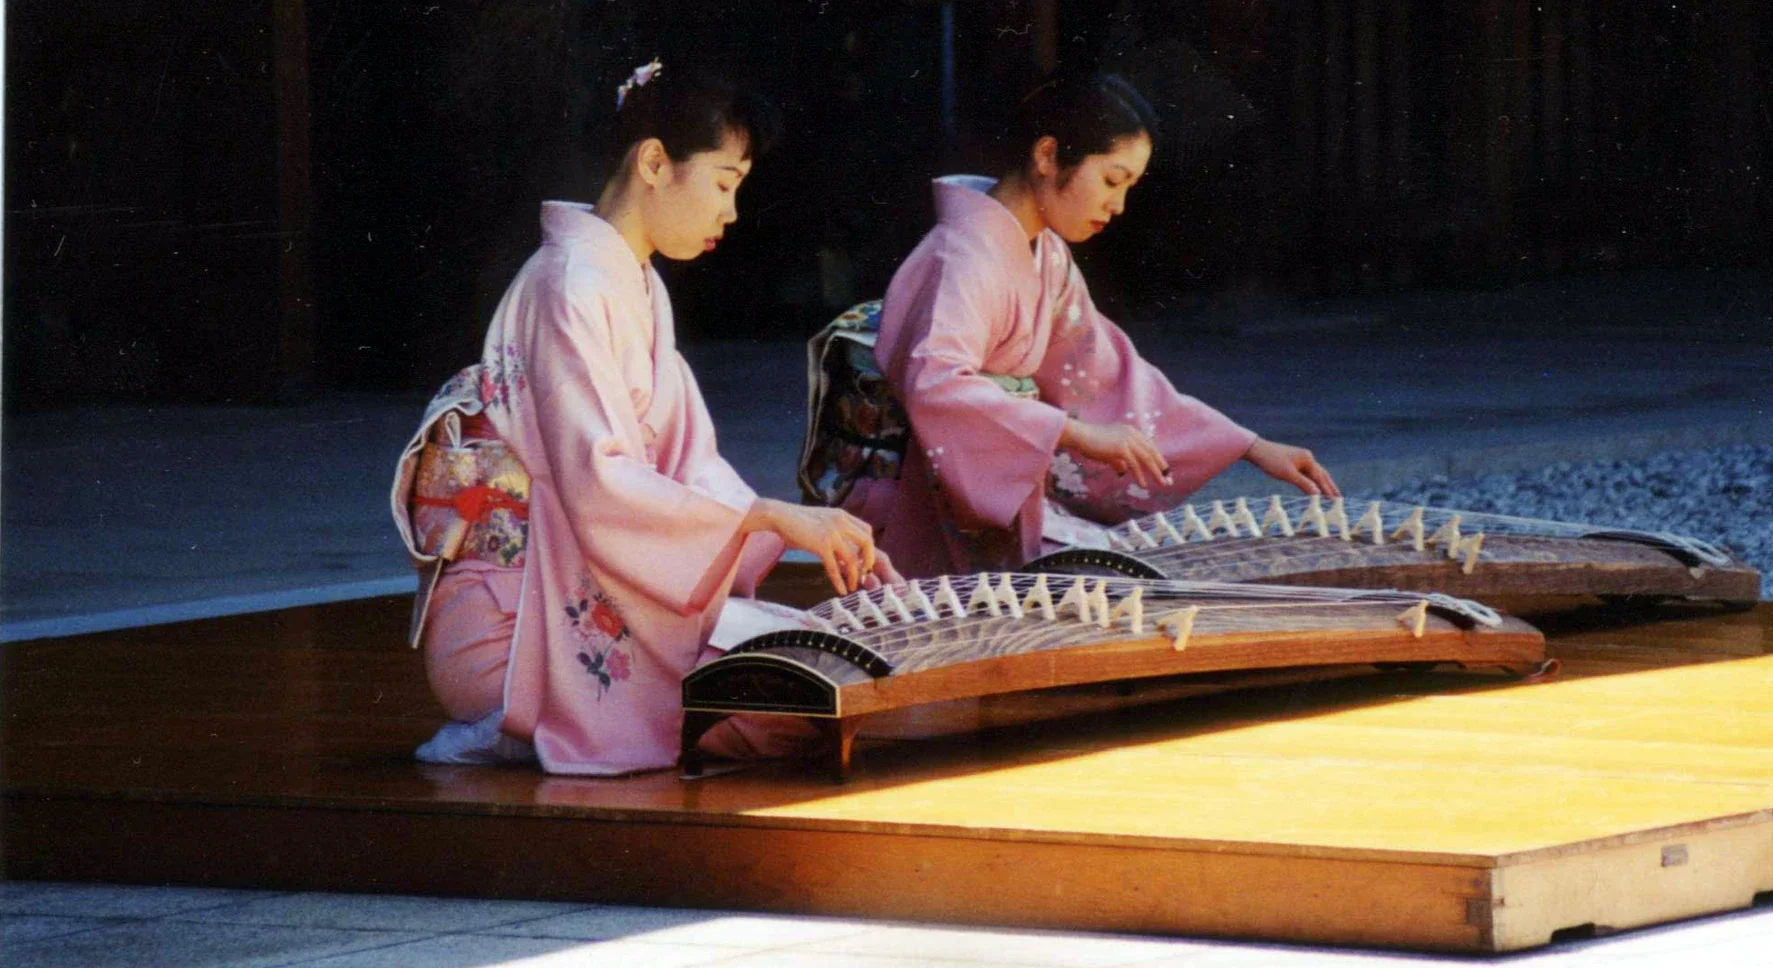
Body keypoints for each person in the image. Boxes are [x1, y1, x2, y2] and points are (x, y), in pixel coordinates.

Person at [392, 55, 891, 775]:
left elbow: (693, 467)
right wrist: (769, 518)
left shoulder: (636, 286)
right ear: (654, 163)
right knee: (791, 699)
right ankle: (519, 717)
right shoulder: (568, 285)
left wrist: (803, 528)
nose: (731, 212)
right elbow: (600, 484)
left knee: (828, 670)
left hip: (592, 583)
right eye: (725, 183)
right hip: (513, 621)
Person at [843, 71, 1339, 579]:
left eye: (1128, 187)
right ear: (1047, 156)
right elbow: (936, 385)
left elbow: (1106, 374)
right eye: (1111, 180)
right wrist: (1076, 434)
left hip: (999, 492)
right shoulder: (962, 257)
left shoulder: (1048, 255)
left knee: (1138, 571)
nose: (1118, 206)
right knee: (1117, 583)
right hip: (933, 507)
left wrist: (1249, 446)